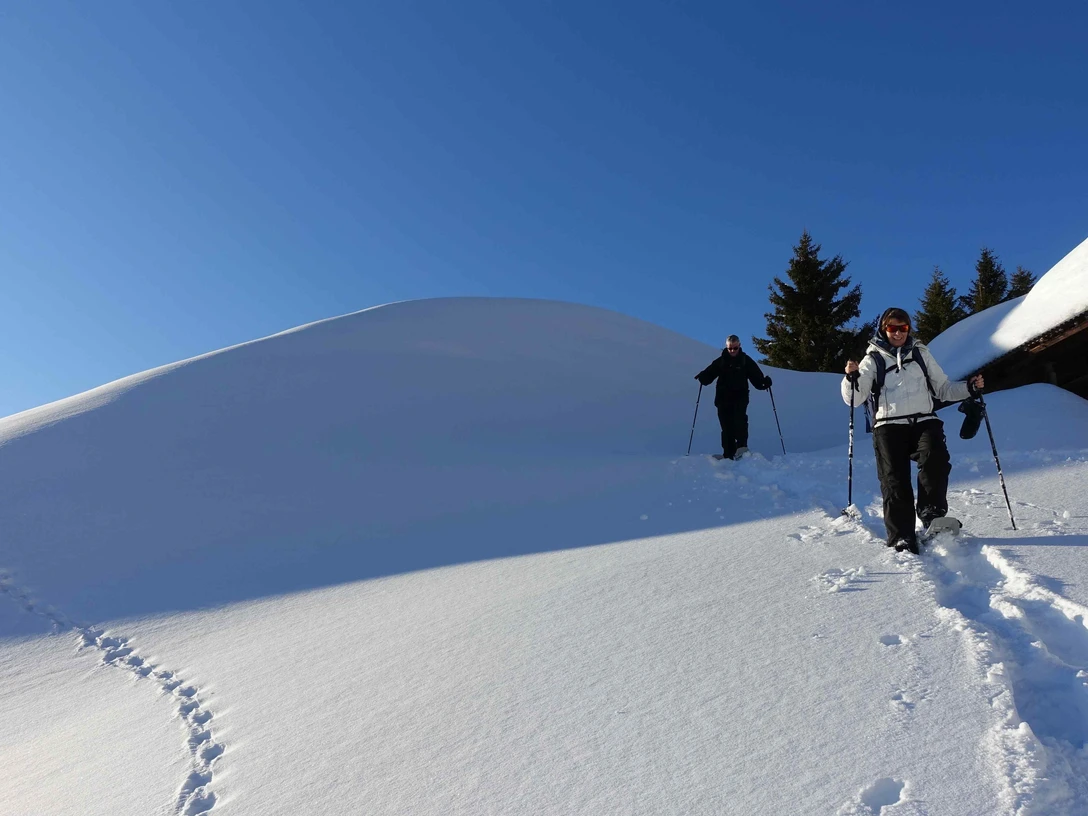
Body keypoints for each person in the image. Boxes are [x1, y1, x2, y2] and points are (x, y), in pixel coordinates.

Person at [842, 308, 983, 553]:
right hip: (888, 425)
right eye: (892, 328)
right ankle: (901, 536)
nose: (898, 333)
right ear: (883, 330)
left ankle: (932, 514)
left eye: (903, 328)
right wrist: (850, 379)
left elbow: (943, 389)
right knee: (894, 479)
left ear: (909, 329)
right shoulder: (872, 359)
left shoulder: (921, 353)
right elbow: (855, 399)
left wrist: (969, 388)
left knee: (935, 460)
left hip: (924, 419)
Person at [696, 335, 772, 460]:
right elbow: (709, 374)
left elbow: (756, 378)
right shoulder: (721, 361)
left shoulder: (745, 360)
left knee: (740, 421)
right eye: (730, 348)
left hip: (740, 396)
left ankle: (742, 449)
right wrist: (703, 377)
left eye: (735, 348)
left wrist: (764, 383)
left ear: (739, 346)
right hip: (722, 398)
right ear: (726, 347)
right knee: (726, 426)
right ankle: (728, 454)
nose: (732, 351)